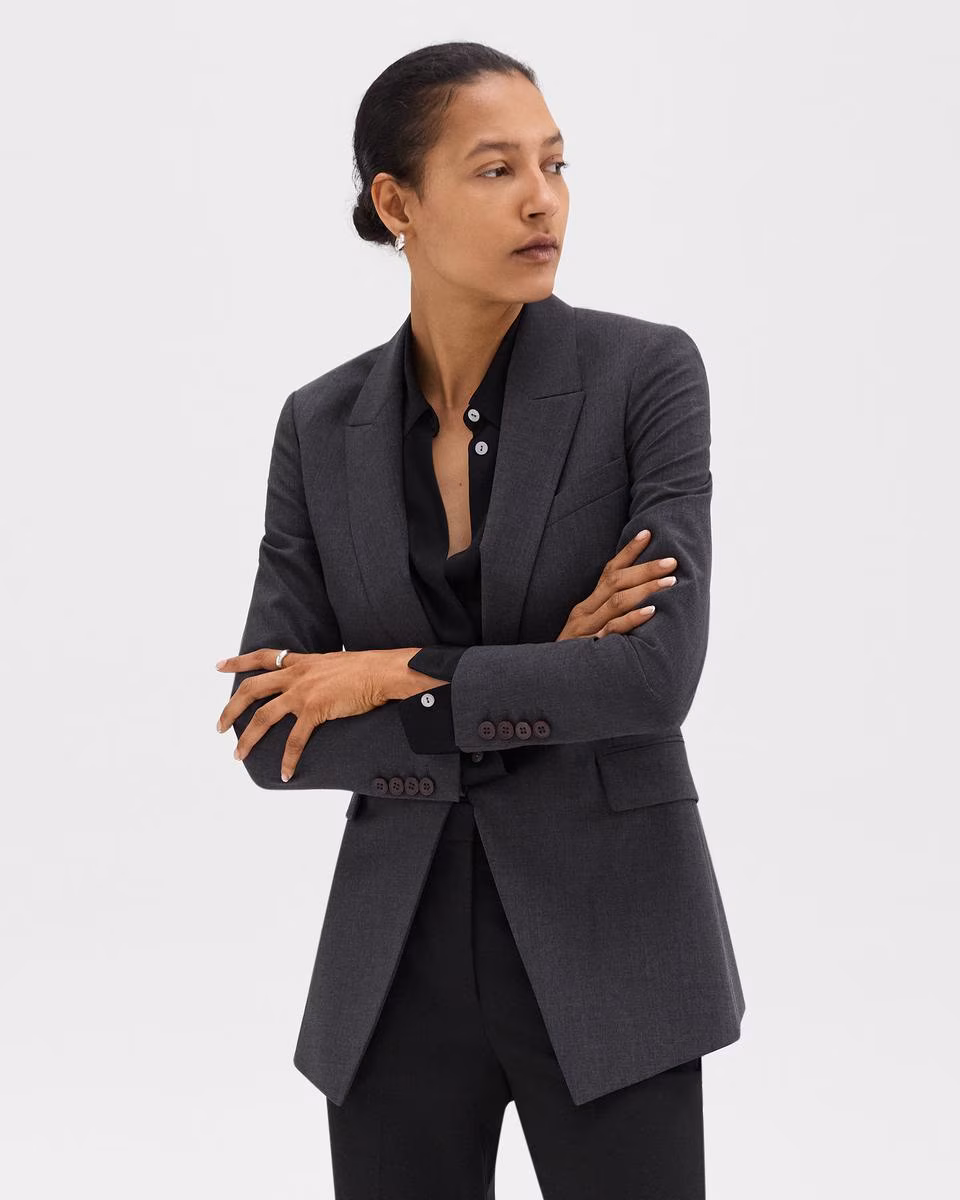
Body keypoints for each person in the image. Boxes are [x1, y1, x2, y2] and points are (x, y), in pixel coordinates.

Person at [216, 40, 745, 1199]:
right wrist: (545, 668)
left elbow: (653, 678)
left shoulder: (644, 376)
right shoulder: (320, 425)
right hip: (394, 963)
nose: (542, 200)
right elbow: (266, 730)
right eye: (497, 169)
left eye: (555, 164)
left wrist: (390, 671)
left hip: (617, 949)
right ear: (397, 203)